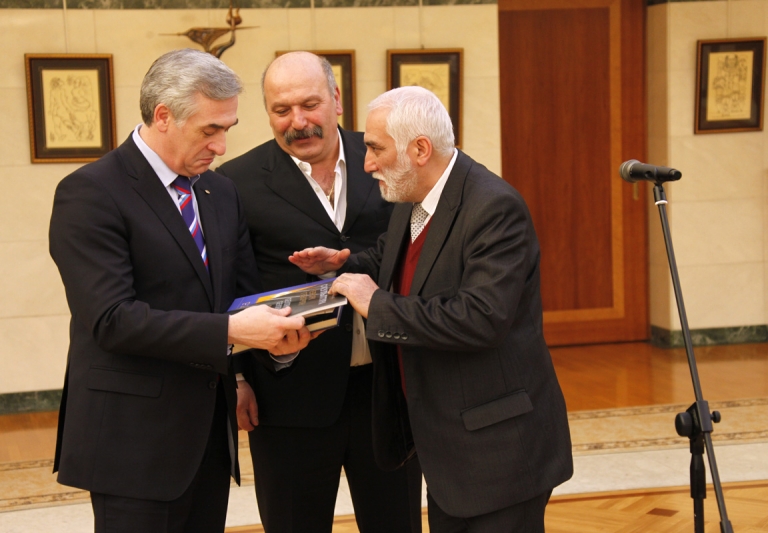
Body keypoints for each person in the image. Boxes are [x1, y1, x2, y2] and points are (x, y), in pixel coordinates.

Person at [48, 48, 313, 533]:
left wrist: (281, 336)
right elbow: (112, 319)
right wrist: (232, 330)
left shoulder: (219, 192)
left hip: (208, 439)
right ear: (164, 116)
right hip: (132, 444)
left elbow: (240, 298)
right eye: (210, 130)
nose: (221, 147)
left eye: (228, 129)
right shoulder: (90, 193)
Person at [290, 86, 574, 533]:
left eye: (376, 149)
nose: (367, 164)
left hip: (499, 450)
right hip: (448, 449)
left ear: (420, 150)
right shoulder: (416, 196)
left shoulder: (494, 207)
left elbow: (480, 318)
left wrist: (375, 305)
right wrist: (343, 264)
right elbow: (395, 261)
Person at [216, 51, 422, 533]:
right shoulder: (234, 183)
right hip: (288, 398)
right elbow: (228, 285)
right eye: (281, 110)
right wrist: (237, 379)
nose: (298, 121)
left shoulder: (386, 157)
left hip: (388, 389)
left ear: (336, 100)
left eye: (309, 105)